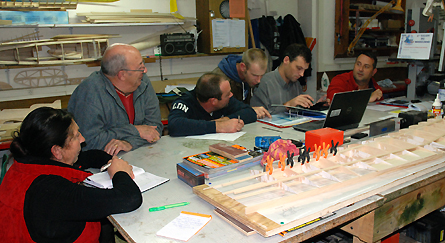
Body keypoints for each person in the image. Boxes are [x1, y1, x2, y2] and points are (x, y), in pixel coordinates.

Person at [0, 107, 142, 243]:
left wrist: (110, 162)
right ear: (57, 151)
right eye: (75, 136)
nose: (82, 139)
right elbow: (129, 198)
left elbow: (91, 156)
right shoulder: (51, 191)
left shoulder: (25, 166)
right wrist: (119, 172)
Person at [68, 43, 163, 156]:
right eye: (140, 68)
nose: (145, 70)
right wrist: (135, 130)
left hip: (141, 156)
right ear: (122, 75)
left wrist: (129, 143)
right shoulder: (89, 93)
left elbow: (155, 129)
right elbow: (88, 142)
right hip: (102, 165)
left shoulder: (143, 82)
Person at [168, 73, 257, 137]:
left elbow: (249, 112)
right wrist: (218, 126)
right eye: (227, 94)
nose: (231, 95)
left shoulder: (226, 100)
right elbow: (174, 125)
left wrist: (224, 120)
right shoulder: (185, 102)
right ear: (213, 101)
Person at [251, 43, 322, 115]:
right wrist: (287, 106)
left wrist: (315, 106)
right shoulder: (265, 83)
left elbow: (299, 113)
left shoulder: (296, 84)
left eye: (304, 70)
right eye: (299, 68)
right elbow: (257, 115)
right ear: (286, 60)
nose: (302, 74)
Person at [212, 48, 271, 119]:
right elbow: (219, 113)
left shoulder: (248, 77)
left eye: (261, 75)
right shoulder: (220, 80)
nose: (258, 80)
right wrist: (248, 111)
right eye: (255, 75)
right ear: (243, 67)